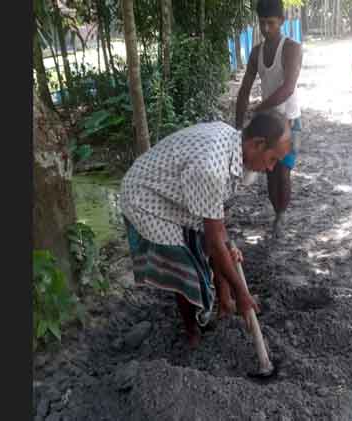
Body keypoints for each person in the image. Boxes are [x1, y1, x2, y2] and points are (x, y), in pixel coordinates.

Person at [119, 112, 292, 348]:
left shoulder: (233, 144)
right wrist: (242, 294)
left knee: (217, 247)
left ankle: (223, 303)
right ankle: (193, 333)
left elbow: (216, 226)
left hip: (176, 193)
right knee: (185, 266)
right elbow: (213, 242)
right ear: (257, 144)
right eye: (272, 159)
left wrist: (227, 250)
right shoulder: (212, 166)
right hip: (146, 198)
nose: (271, 168)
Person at [235, 0, 303, 239]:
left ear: (282, 22)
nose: (266, 29)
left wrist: (258, 108)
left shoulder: (292, 48)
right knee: (269, 170)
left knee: (281, 171)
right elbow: (244, 89)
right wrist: (238, 125)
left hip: (289, 120)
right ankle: (278, 211)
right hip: (268, 120)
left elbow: (288, 88)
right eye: (262, 23)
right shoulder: (256, 52)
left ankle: (280, 215)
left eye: (271, 23)